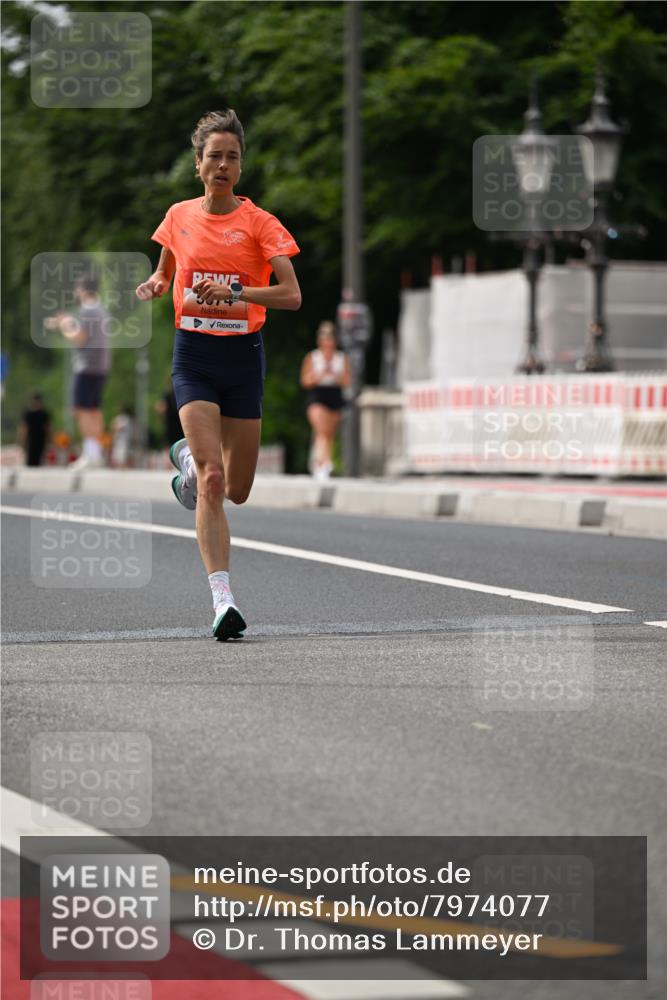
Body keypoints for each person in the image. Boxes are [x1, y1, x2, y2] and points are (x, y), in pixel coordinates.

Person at [135, 109, 301, 641]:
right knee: (212, 479)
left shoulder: (260, 224)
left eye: (232, 157)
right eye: (214, 156)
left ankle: (182, 459)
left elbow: (292, 296)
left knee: (239, 488)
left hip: (242, 357)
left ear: (240, 165)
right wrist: (158, 284)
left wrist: (235, 293)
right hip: (195, 356)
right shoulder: (178, 216)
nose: (223, 165)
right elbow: (166, 267)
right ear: (198, 164)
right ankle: (222, 600)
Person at [44, 274, 111, 469]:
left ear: (82, 289)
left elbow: (79, 338)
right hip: (101, 366)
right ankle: (95, 453)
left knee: (81, 410)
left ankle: (90, 454)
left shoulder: (87, 310)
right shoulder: (101, 309)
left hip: (86, 366)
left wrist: (63, 325)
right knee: (94, 410)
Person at [300, 321, 350, 480]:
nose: (328, 342)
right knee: (321, 430)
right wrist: (318, 375)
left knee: (329, 433)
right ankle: (321, 463)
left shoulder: (341, 358)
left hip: (335, 394)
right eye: (325, 338)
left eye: (331, 339)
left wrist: (335, 375)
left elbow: (346, 381)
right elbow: (305, 380)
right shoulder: (313, 357)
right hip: (318, 394)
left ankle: (325, 462)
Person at [19, 393, 51, 466]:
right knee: (31, 460)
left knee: (39, 460)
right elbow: (25, 428)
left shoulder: (44, 413)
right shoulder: (29, 413)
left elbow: (48, 427)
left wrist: (49, 439)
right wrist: (22, 439)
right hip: (31, 440)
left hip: (40, 439)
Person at [154, 376, 184, 448]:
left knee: (172, 449)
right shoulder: (184, 393)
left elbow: (159, 408)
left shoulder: (167, 394)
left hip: (171, 427)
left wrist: (162, 419)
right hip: (183, 425)